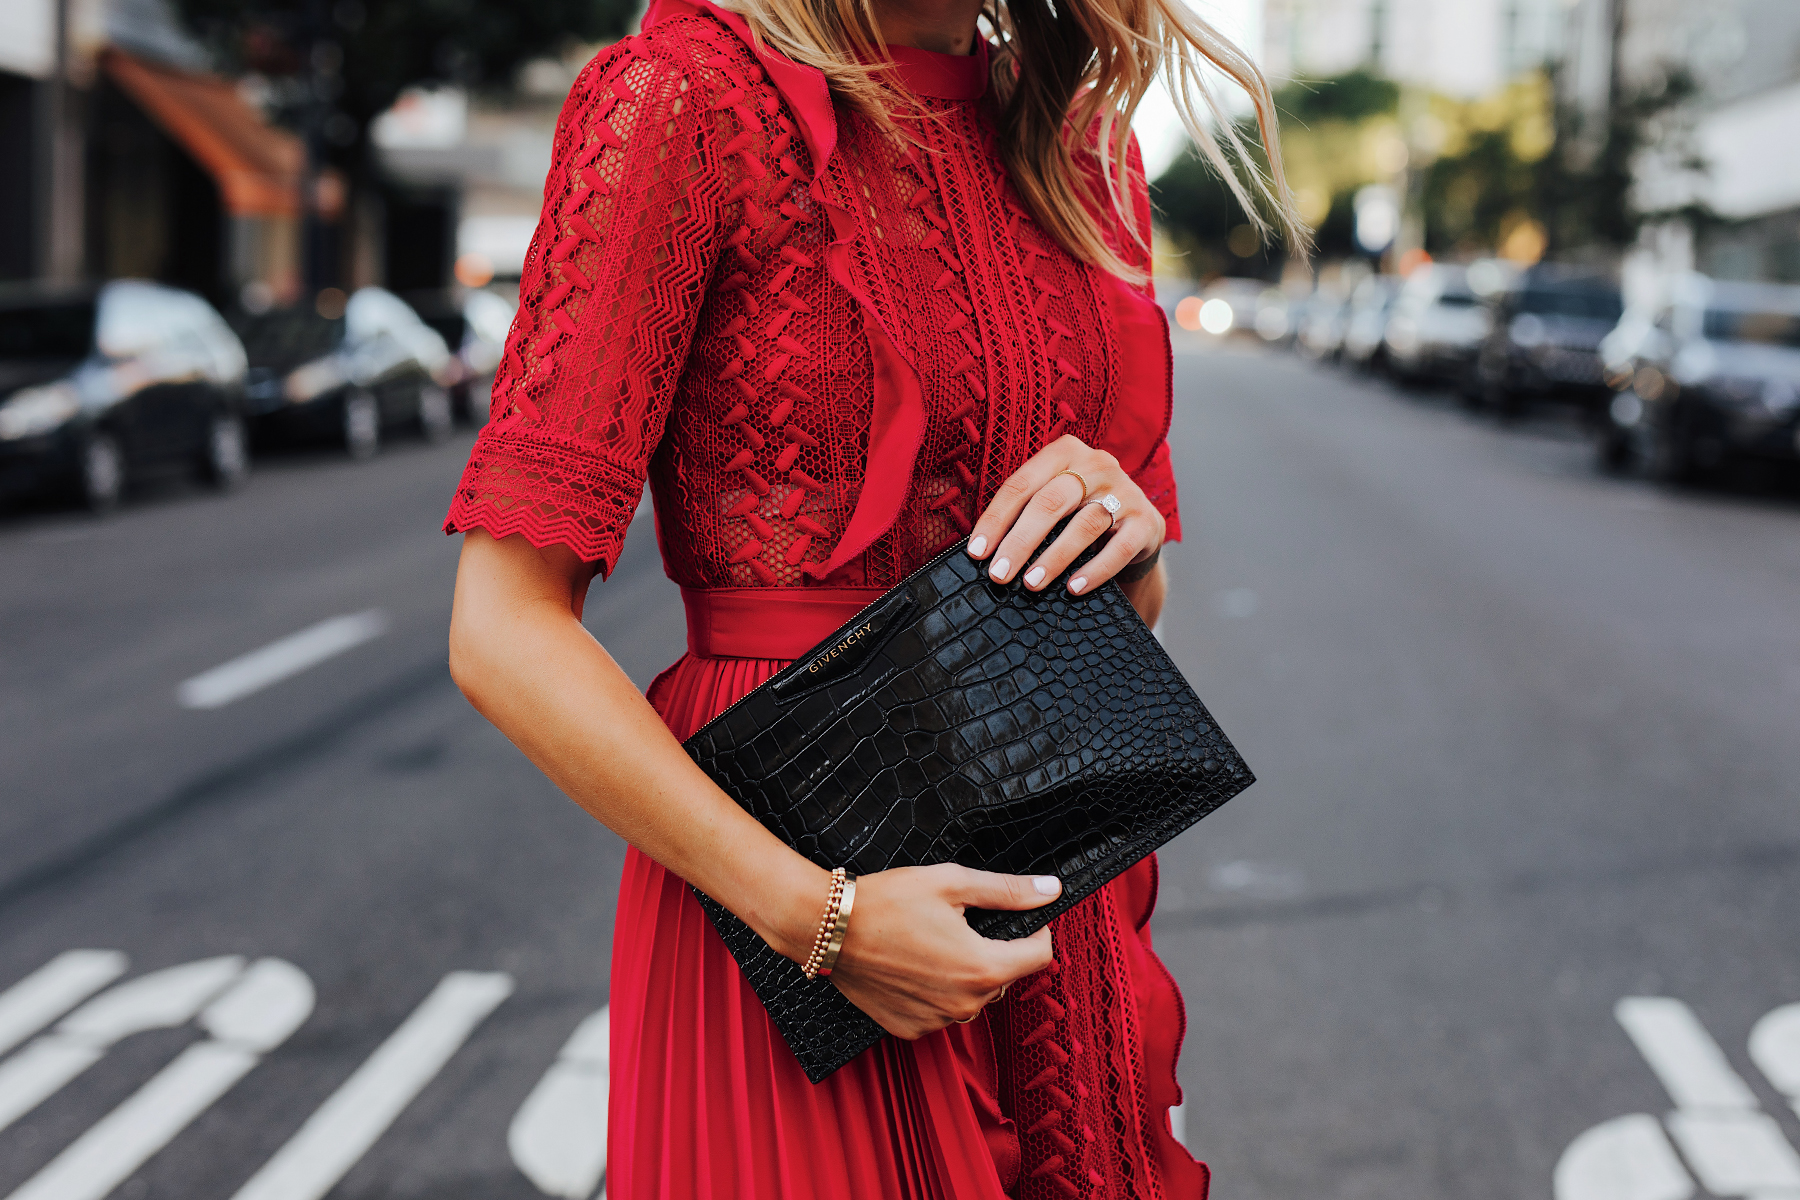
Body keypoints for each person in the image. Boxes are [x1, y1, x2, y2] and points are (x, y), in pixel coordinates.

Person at [445, 0, 1300, 1190]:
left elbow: (1129, 613)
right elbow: (501, 631)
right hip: (786, 884)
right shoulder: (686, 99)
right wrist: (819, 920)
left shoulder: (1083, 145)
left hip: (1043, 867)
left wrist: (1122, 534)